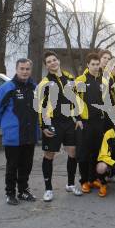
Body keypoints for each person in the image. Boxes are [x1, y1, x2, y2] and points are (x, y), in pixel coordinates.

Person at [0, 58, 38, 205]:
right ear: (16, 70)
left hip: (29, 135)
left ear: (31, 70)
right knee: (12, 166)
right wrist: (6, 125)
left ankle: (23, 191)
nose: (24, 72)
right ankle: (10, 193)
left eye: (27, 69)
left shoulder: (34, 87)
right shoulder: (7, 88)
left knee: (26, 165)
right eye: (22, 69)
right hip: (13, 136)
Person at [37, 51, 83, 202]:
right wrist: (43, 126)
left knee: (73, 153)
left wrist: (77, 118)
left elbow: (76, 100)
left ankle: (70, 184)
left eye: (54, 60)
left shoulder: (70, 78)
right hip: (52, 123)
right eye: (49, 61)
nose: (52, 63)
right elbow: (41, 107)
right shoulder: (44, 83)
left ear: (58, 61)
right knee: (49, 155)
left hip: (69, 122)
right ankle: (48, 189)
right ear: (46, 65)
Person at [75, 53, 108, 194]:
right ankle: (84, 181)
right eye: (92, 64)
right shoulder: (81, 80)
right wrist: (78, 119)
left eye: (97, 64)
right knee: (83, 153)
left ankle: (94, 178)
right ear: (88, 65)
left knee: (96, 152)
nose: (95, 67)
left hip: (100, 122)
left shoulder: (104, 81)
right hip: (85, 123)